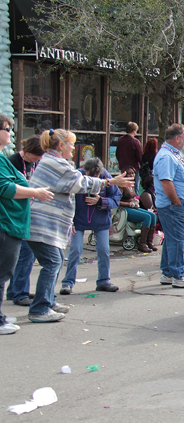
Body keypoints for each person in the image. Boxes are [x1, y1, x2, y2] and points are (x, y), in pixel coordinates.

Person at [27, 128, 132, 322]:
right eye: (71, 144)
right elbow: (80, 183)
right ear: (61, 145)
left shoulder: (55, 162)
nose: (73, 149)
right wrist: (109, 182)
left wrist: (108, 185)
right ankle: (39, 308)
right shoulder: (55, 163)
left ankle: (48, 301)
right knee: (52, 263)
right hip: (42, 223)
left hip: (48, 224)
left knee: (56, 260)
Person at [0, 114, 54, 334]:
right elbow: (6, 188)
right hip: (6, 223)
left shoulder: (3, 157)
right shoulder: (7, 159)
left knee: (5, 272)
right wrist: (35, 192)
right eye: (7, 128)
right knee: (2, 273)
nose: (11, 133)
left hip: (12, 223)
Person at [60, 158, 122, 295]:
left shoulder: (106, 177)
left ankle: (104, 280)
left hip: (100, 219)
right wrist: (69, 221)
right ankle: (68, 282)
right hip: (79, 219)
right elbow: (67, 199)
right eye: (90, 176)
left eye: (97, 177)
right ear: (85, 170)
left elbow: (116, 198)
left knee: (104, 250)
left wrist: (101, 201)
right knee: (75, 250)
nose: (94, 180)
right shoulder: (76, 175)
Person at [153, 123, 184, 289]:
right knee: (178, 240)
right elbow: (166, 182)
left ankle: (167, 272)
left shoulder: (174, 153)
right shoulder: (166, 156)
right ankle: (178, 274)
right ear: (177, 138)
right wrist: (176, 201)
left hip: (174, 205)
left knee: (171, 239)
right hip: (171, 206)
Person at [5, 135, 44, 307]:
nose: (39, 159)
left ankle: (15, 290)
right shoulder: (12, 162)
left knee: (23, 255)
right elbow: (10, 188)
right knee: (24, 255)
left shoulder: (34, 163)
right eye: (37, 156)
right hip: (15, 214)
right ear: (27, 152)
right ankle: (19, 292)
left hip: (26, 212)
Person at [119, 167, 159, 252]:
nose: (131, 175)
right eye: (128, 173)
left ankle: (149, 242)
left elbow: (132, 197)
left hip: (133, 207)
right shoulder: (121, 186)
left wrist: (135, 201)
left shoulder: (132, 185)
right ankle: (142, 244)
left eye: (133, 173)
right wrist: (129, 204)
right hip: (124, 209)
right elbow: (116, 201)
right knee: (147, 217)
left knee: (152, 215)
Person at [116, 122, 143, 192]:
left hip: (123, 167)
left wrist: (121, 162)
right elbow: (140, 156)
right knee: (134, 187)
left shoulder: (121, 140)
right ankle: (133, 200)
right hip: (133, 168)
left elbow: (117, 153)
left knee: (123, 186)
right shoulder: (135, 142)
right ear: (134, 131)